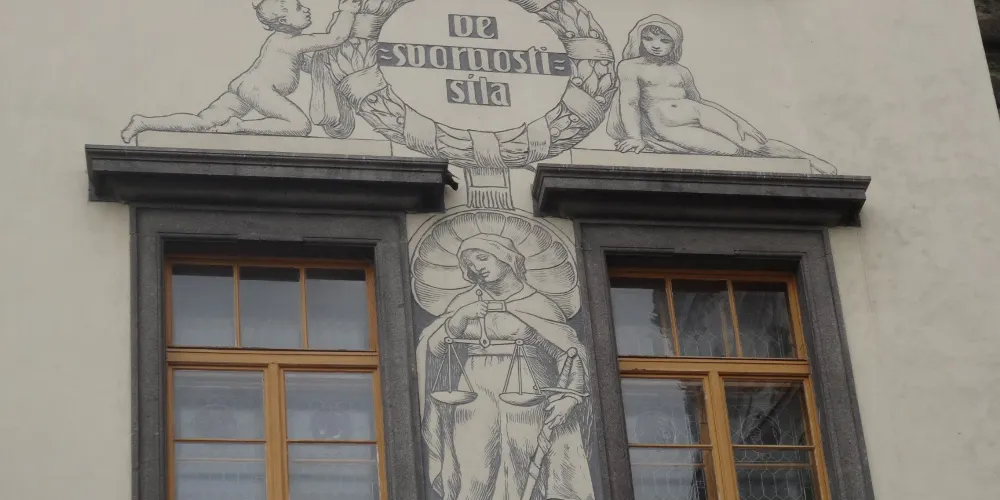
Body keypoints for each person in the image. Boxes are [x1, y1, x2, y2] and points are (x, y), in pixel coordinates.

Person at [416, 233, 595, 500]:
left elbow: (568, 354)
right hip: (474, 394)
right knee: (474, 468)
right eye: (470, 263)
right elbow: (436, 350)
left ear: (506, 257)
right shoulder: (463, 304)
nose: (477, 267)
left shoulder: (538, 304)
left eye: (482, 257)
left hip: (527, 392)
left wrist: (570, 397)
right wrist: (459, 318)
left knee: (524, 463)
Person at [606, 15, 837, 174]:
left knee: (755, 144)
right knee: (733, 152)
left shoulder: (681, 71)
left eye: (664, 40)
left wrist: (741, 122)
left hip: (699, 112)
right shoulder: (630, 66)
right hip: (669, 125)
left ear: (674, 44)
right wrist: (635, 137)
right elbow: (629, 101)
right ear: (639, 39)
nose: (655, 45)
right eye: (648, 38)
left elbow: (698, 101)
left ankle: (811, 159)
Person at [120, 0, 359, 142]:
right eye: (298, 7)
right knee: (299, 126)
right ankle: (240, 126)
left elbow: (304, 65)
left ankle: (144, 122)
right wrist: (347, 10)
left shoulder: (283, 42)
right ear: (284, 21)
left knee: (203, 122)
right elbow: (336, 37)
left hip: (245, 86)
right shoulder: (291, 42)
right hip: (258, 90)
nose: (306, 9)